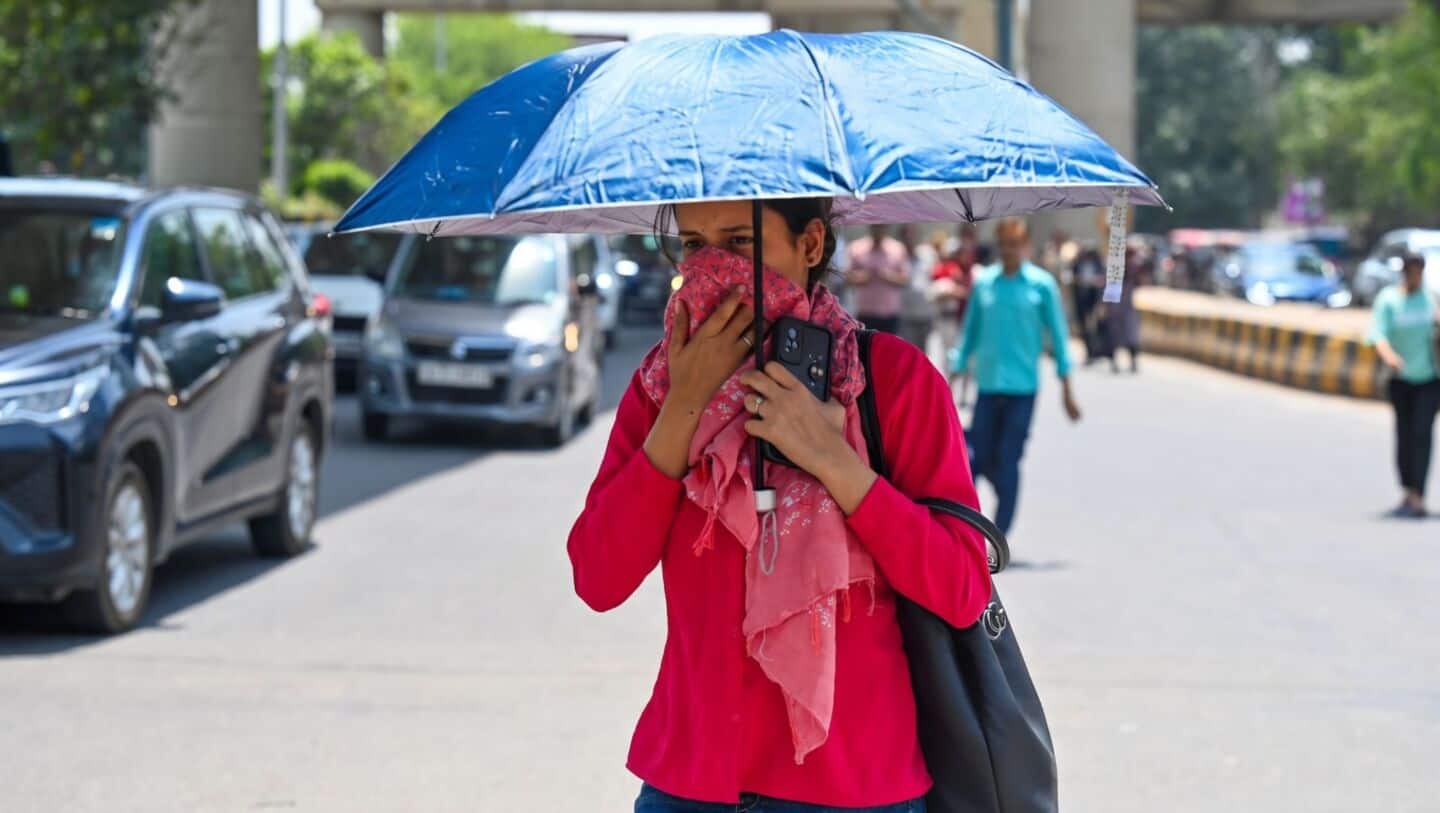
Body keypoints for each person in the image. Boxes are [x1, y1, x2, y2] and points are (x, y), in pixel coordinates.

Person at [568, 197, 992, 812]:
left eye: (740, 243)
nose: (713, 266)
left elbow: (961, 589)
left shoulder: (892, 382)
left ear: (812, 245)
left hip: (855, 786)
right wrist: (686, 405)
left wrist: (834, 461)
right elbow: (597, 577)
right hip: (692, 781)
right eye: (693, 245)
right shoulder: (659, 387)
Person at [951, 217, 1082, 536]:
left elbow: (1060, 337)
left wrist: (1067, 390)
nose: (1009, 251)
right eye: (1004, 245)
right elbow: (970, 332)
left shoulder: (1041, 285)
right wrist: (953, 374)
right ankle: (969, 528)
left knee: (1008, 460)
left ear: (1025, 247)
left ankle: (999, 536)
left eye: (1015, 245)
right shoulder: (985, 284)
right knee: (978, 460)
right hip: (988, 385)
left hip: (1022, 389)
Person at [1369, 252, 1440, 518]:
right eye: (1411, 272)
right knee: (1405, 435)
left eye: (1419, 272)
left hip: (1430, 378)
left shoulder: (1431, 298)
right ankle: (1407, 489)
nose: (1415, 277)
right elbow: (1378, 333)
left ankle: (1419, 495)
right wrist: (1391, 357)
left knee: (1423, 434)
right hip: (1400, 380)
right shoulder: (1389, 300)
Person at [928, 223, 980, 398]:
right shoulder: (947, 270)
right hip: (949, 321)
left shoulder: (976, 272)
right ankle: (948, 392)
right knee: (950, 357)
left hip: (968, 321)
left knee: (969, 359)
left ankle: (964, 394)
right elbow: (935, 292)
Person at [844, 224, 911, 335]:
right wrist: (864, 277)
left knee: (889, 350)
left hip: (889, 313)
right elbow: (847, 278)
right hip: (865, 311)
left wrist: (887, 275)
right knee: (865, 350)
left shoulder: (897, 249)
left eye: (881, 226)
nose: (878, 229)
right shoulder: (857, 248)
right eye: (876, 226)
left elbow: (905, 279)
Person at [1070, 240, 1106, 364]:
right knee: (1083, 328)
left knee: (1094, 328)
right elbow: (1072, 279)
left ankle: (1096, 352)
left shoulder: (1098, 265)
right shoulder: (1077, 264)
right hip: (1081, 300)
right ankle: (1088, 351)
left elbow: (1102, 281)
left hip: (1093, 301)